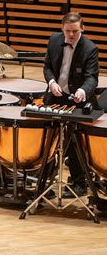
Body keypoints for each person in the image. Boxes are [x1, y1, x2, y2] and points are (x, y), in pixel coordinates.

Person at [43, 12, 101, 192]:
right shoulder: (54, 40)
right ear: (62, 29)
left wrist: (83, 91)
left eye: (75, 31)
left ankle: (79, 183)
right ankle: (44, 180)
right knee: (49, 137)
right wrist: (51, 82)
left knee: (75, 141)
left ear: (82, 28)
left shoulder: (90, 48)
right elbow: (47, 67)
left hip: (79, 99)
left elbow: (92, 77)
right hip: (56, 95)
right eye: (68, 31)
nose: (71, 35)